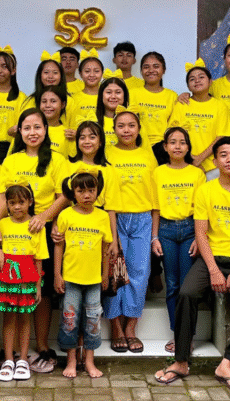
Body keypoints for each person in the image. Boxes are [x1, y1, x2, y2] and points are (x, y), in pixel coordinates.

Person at [153, 137, 230, 393]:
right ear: (215, 161)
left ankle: (228, 363)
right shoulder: (205, 191)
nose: (229, 160)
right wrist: (214, 271)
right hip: (211, 258)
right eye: (223, 155)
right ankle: (181, 360)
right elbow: (201, 234)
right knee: (186, 293)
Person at [0, 109, 71, 373]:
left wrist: (45, 217)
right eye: (27, 128)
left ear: (46, 130)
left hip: (42, 229)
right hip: (13, 229)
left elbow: (64, 195)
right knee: (14, 286)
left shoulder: (57, 159)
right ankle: (13, 350)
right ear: (20, 132)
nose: (32, 132)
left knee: (41, 289)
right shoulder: (11, 160)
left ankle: (42, 345)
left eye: (37, 127)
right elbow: (2, 197)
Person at [103, 106, 157, 353]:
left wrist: (154, 233)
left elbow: (154, 195)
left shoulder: (147, 155)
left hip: (142, 218)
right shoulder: (107, 152)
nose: (126, 130)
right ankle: (115, 326)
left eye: (131, 125)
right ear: (113, 129)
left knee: (139, 273)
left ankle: (131, 327)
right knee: (114, 273)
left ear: (139, 129)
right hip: (114, 218)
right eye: (121, 126)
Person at [150, 127, 205, 353]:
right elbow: (155, 208)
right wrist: (154, 237)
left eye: (182, 142)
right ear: (165, 147)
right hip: (166, 230)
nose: (178, 146)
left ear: (188, 147)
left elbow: (202, 210)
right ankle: (177, 334)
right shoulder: (158, 173)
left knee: (187, 287)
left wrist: (200, 238)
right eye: (173, 142)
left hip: (190, 229)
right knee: (172, 284)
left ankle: (188, 336)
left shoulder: (197, 174)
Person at [55, 170, 113, 379]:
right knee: (69, 319)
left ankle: (89, 361)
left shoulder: (102, 216)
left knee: (93, 321)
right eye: (81, 191)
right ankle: (71, 360)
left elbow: (105, 249)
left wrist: (105, 275)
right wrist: (57, 275)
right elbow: (59, 247)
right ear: (73, 193)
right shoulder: (65, 215)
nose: (87, 195)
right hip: (70, 279)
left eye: (91, 190)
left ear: (97, 191)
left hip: (94, 281)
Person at [0, 183, 47, 381]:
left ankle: (23, 359)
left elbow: (39, 258)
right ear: (7, 204)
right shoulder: (3, 224)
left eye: (21, 202)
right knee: (8, 318)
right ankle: (8, 359)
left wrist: (38, 285)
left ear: (30, 202)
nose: (17, 207)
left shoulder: (36, 225)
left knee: (24, 318)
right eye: (12, 203)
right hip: (7, 277)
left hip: (27, 278)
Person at [167, 59, 230, 178]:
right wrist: (189, 158)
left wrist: (200, 158)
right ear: (188, 86)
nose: (197, 80)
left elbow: (221, 137)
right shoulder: (181, 105)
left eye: (201, 77)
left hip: (213, 167)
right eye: (192, 79)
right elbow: (172, 135)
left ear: (210, 82)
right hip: (185, 164)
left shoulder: (220, 106)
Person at [131, 51, 177, 164]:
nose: (151, 70)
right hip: (137, 146)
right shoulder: (131, 93)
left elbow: (174, 127)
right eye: (146, 67)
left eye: (156, 66)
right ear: (141, 71)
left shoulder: (172, 96)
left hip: (163, 150)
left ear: (163, 70)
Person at [66, 49, 103, 127]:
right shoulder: (72, 99)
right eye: (87, 71)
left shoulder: (107, 98)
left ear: (102, 73)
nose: (92, 75)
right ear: (80, 74)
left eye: (96, 71)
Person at [39, 86, 74, 159]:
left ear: (63, 105)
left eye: (53, 101)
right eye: (44, 101)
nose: (48, 105)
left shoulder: (68, 134)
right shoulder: (30, 131)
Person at [96, 73, 130, 147]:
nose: (113, 96)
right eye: (108, 92)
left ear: (124, 95)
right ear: (101, 95)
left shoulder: (133, 121)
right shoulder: (92, 120)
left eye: (118, 92)